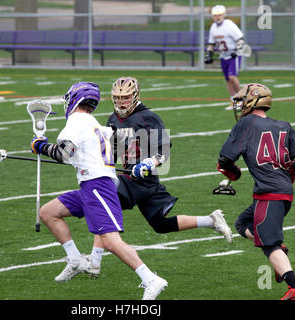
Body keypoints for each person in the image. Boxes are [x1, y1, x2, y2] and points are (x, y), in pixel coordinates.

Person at [84, 77, 233, 278]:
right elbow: (112, 149)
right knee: (161, 225)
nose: (121, 102)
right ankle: (211, 220)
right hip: (132, 176)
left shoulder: (147, 117)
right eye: (117, 98)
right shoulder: (113, 119)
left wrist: (149, 163)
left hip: (144, 180)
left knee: (104, 201)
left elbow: (163, 148)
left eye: (126, 97)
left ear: (135, 96)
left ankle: (94, 262)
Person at [31, 82, 168, 300]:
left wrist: (41, 147)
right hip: (90, 184)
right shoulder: (92, 122)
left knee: (110, 241)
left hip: (98, 186)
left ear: (75, 99)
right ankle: (76, 260)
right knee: (48, 212)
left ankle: (151, 279)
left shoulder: (76, 122)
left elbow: (64, 154)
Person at [217, 83, 295, 300]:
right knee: (242, 223)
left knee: (269, 244)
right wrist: (291, 175)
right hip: (284, 192)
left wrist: (233, 175)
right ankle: (280, 252)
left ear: (252, 101)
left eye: (242, 100)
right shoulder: (283, 125)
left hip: (268, 193)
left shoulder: (246, 124)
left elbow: (224, 160)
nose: (238, 105)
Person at [205, 5, 245, 104]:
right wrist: (209, 53)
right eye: (215, 15)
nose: (217, 17)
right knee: (227, 79)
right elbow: (211, 43)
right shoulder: (213, 27)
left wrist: (237, 50)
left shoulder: (229, 25)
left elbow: (240, 39)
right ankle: (233, 101)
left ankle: (241, 98)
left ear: (224, 15)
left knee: (232, 77)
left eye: (219, 15)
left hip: (233, 54)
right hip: (223, 55)